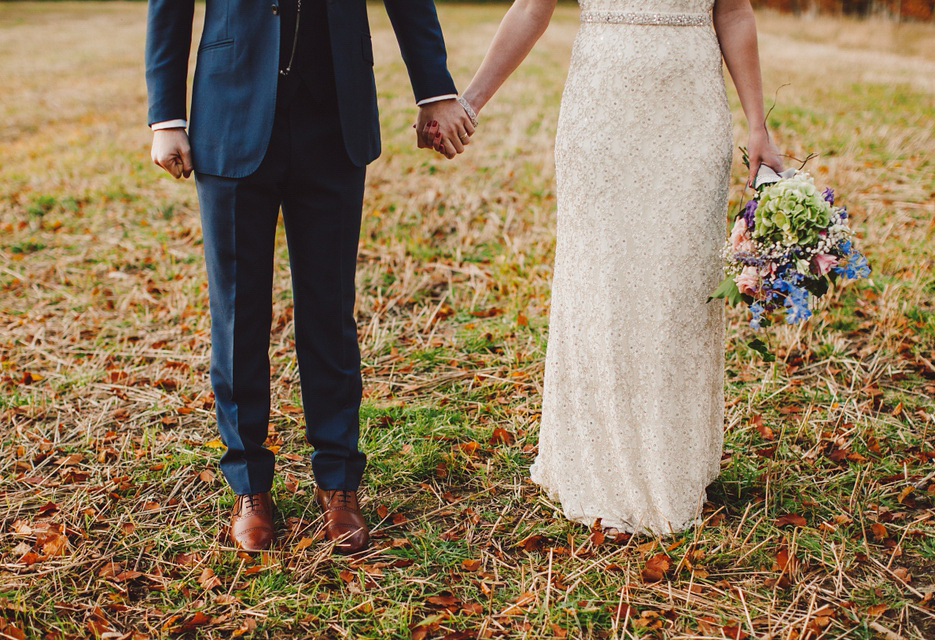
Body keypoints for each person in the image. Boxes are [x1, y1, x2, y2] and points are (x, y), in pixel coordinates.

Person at [146, 0, 475, 553]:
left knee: (329, 312)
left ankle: (339, 482)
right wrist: (166, 117)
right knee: (237, 314)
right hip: (230, 107)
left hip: (335, 114)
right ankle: (249, 485)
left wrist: (434, 89)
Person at [454, 0, 784, 533]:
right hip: (602, 114)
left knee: (678, 286)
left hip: (692, 114)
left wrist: (756, 124)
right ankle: (597, 466)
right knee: (602, 282)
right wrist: (468, 102)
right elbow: (531, 8)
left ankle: (670, 462)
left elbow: (735, 13)